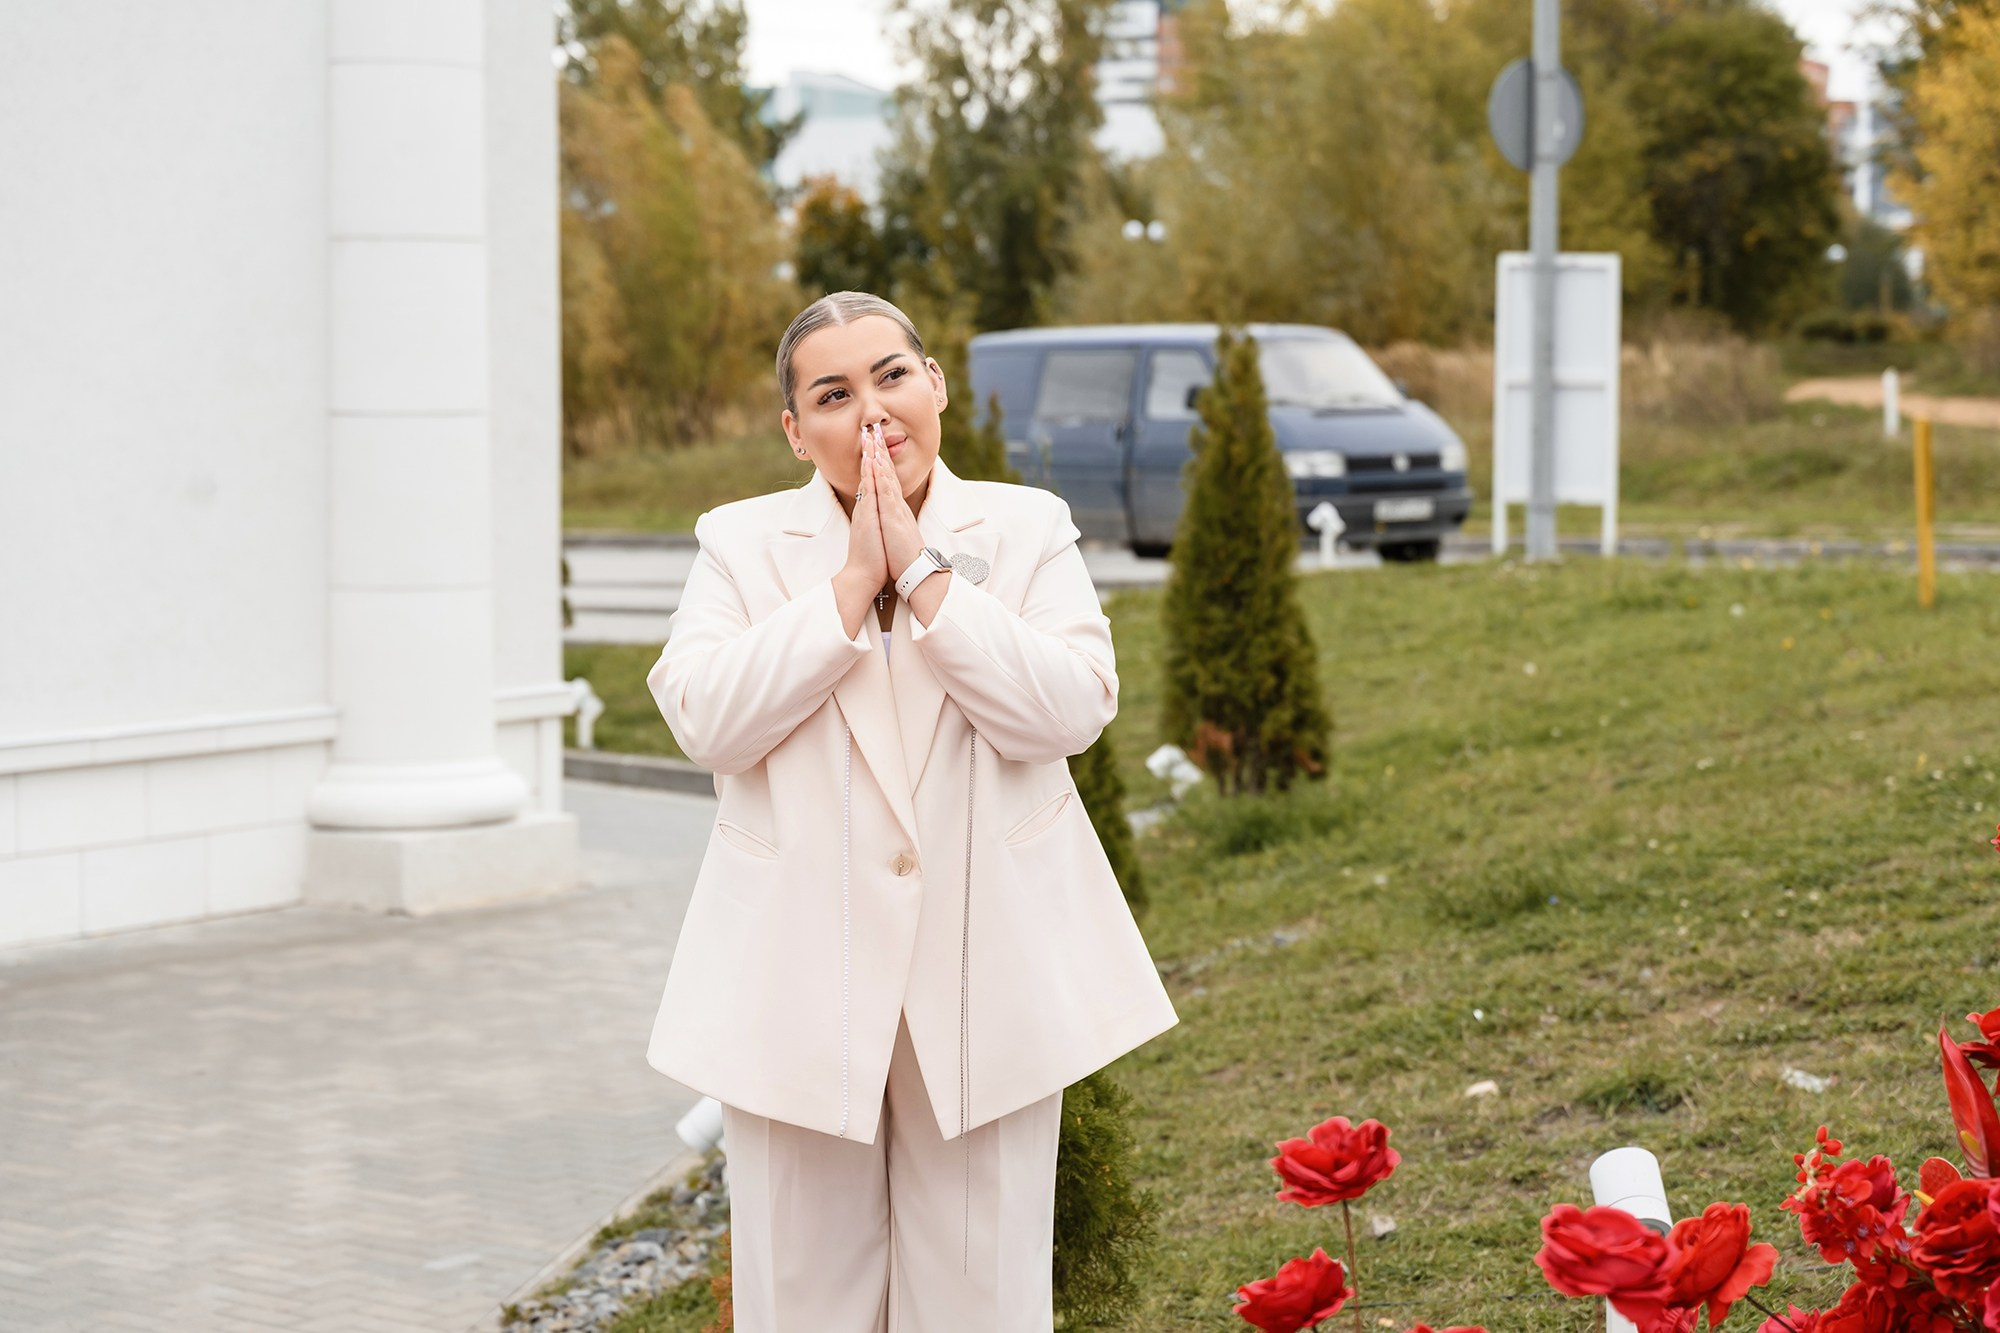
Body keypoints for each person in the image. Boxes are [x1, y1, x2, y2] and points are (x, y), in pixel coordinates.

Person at [641, 291, 1179, 1333]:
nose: (871, 410)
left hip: (987, 974)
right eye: (832, 394)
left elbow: (1068, 708)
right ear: (797, 430)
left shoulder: (1024, 530)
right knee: (800, 1299)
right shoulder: (741, 545)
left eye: (890, 375)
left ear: (933, 386)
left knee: (980, 1296)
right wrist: (849, 584)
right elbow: (705, 718)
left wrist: (926, 579)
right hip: (794, 983)